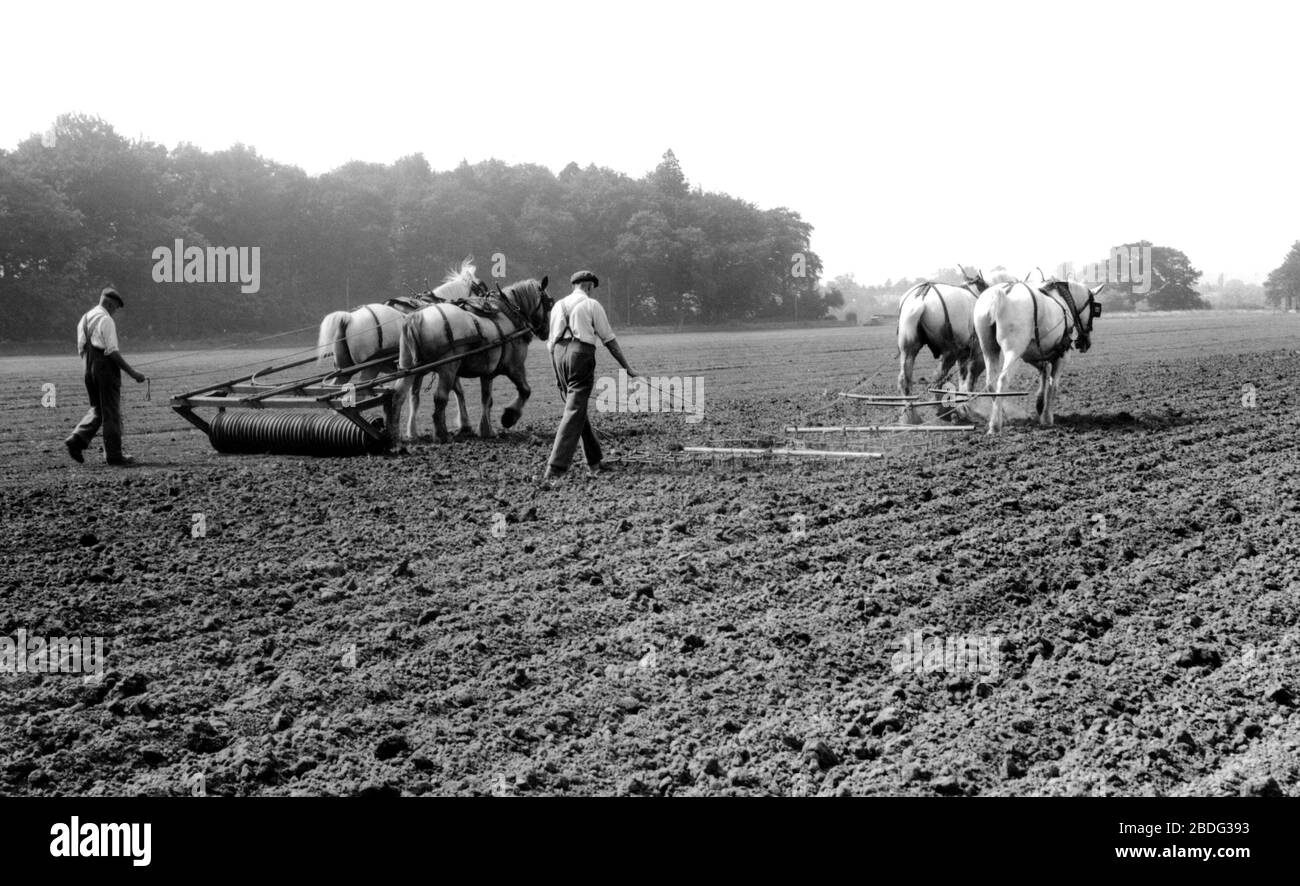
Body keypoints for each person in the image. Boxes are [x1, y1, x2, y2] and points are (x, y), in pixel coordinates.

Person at [542, 270, 638, 481]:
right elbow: (609, 339)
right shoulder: (592, 305)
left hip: (558, 356)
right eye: (592, 287)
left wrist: (558, 377)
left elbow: (550, 345)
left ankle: (594, 462)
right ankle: (555, 468)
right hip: (580, 355)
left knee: (576, 407)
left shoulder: (558, 306)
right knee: (575, 409)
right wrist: (627, 368)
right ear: (588, 286)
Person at [64, 287, 147, 465]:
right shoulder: (106, 320)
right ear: (109, 303)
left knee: (97, 409)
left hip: (87, 368)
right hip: (104, 370)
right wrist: (133, 373)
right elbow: (112, 352)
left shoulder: (85, 318)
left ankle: (77, 439)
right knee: (111, 413)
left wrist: (91, 367)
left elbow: (81, 349)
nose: (115, 311)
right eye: (115, 307)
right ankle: (114, 455)